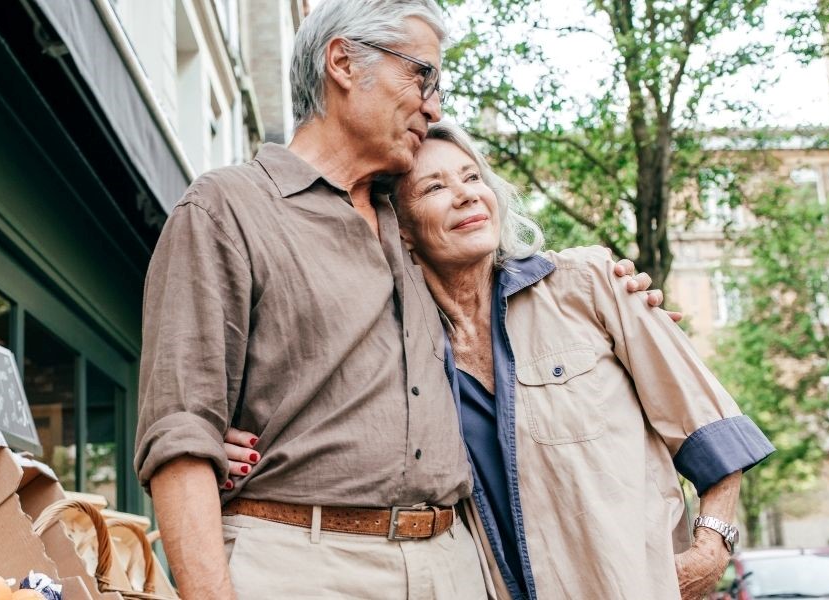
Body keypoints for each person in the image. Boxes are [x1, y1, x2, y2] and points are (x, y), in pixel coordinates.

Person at [134, 1, 671, 598]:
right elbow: (180, 435)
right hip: (299, 565)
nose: (433, 106)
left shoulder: (415, 221)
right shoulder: (226, 207)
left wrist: (619, 299)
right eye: (421, 75)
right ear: (342, 62)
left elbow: (518, 303)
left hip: (457, 563)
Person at [222, 121, 775, 600]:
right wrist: (230, 448)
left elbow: (711, 430)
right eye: (435, 187)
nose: (466, 195)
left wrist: (710, 549)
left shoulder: (589, 284)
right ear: (403, 232)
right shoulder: (391, 349)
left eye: (472, 177)